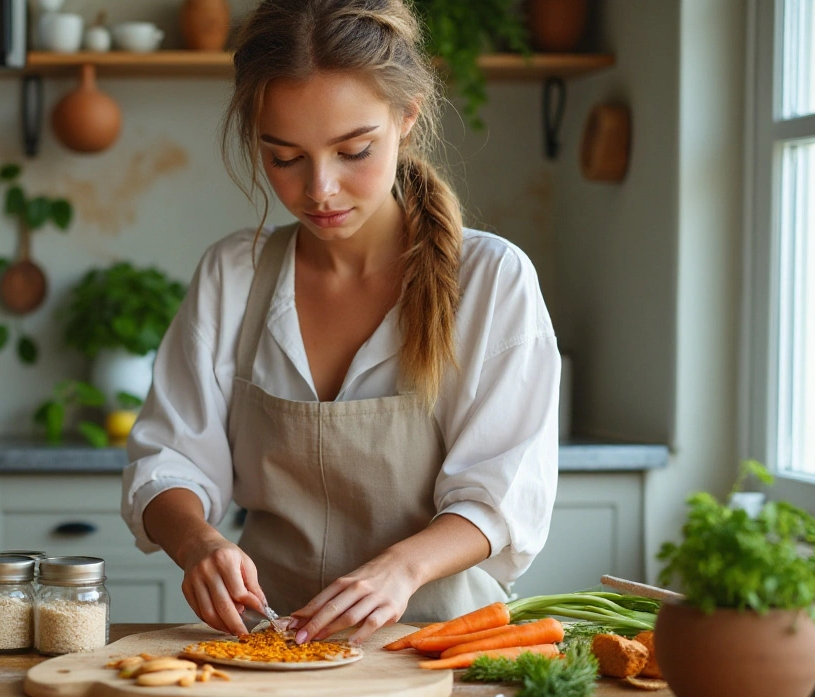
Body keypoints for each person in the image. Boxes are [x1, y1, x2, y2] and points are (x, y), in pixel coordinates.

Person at [121, 0, 560, 647]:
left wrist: (399, 570)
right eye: (285, 156)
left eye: (353, 150)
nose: (320, 188)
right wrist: (199, 544)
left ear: (406, 117)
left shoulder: (491, 279)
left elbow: (501, 497)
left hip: (437, 650)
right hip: (267, 647)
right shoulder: (232, 275)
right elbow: (169, 461)